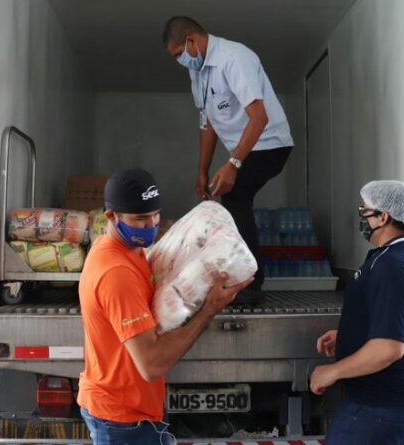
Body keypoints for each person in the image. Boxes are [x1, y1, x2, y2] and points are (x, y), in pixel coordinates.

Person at [77, 168, 252, 445]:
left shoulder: (124, 249)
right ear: (111, 216)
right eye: (141, 219)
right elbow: (151, 364)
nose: (151, 225)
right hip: (124, 421)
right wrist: (209, 308)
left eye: (156, 214)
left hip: (133, 411)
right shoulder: (117, 274)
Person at [162, 16, 293, 297]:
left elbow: (259, 118)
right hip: (246, 150)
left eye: (178, 54)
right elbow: (207, 123)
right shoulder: (197, 71)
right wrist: (202, 171)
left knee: (235, 196)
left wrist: (233, 164)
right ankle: (241, 275)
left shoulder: (235, 58)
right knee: (231, 195)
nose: (179, 61)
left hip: (270, 144)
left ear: (191, 41)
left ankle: (251, 284)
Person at [309, 180, 404, 445]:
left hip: (379, 408)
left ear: (383, 217)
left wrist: (331, 373)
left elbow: (389, 348)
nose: (361, 218)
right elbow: (398, 322)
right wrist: (348, 335)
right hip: (395, 402)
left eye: (364, 211)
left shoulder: (393, 265)